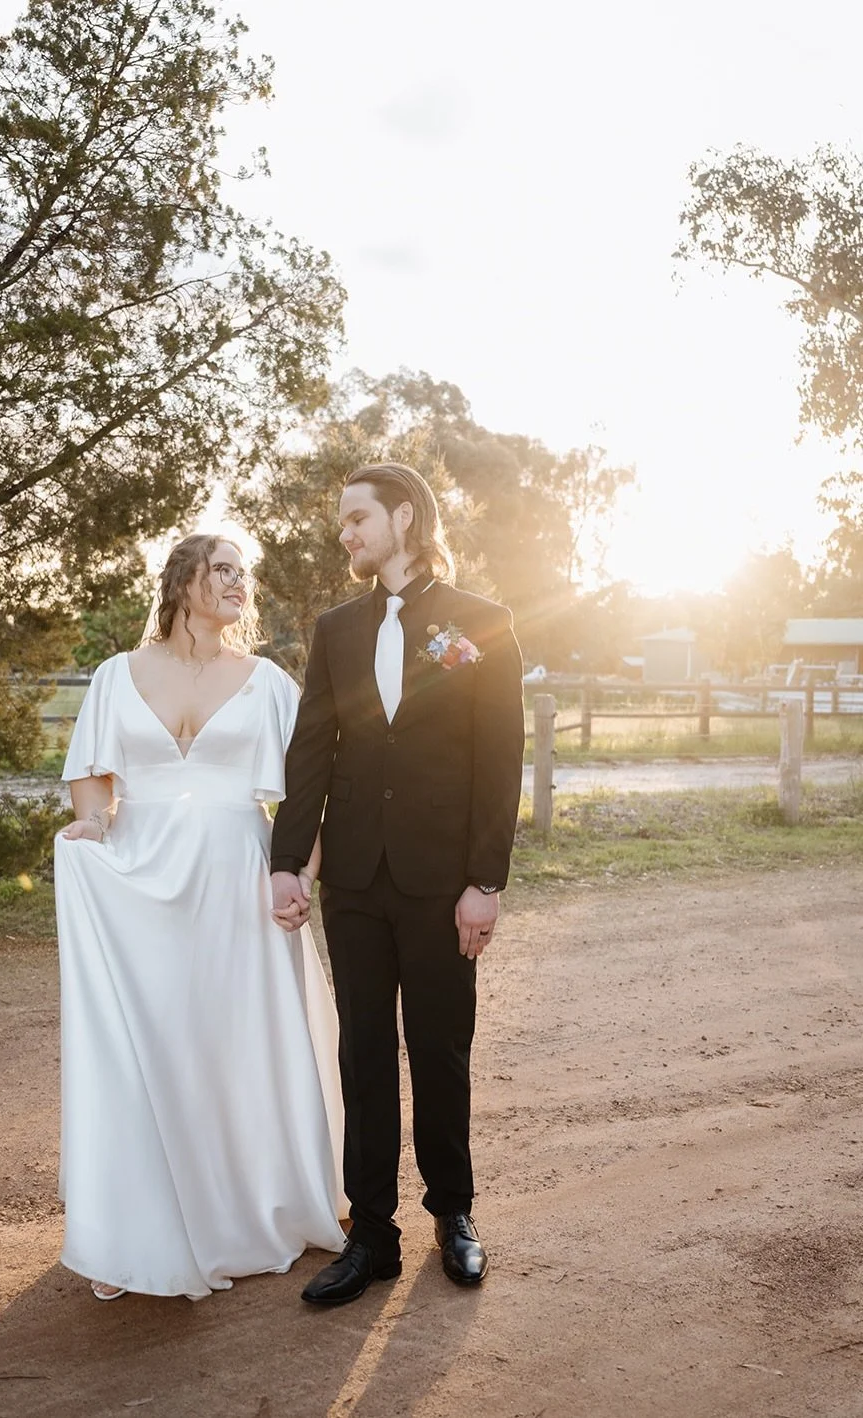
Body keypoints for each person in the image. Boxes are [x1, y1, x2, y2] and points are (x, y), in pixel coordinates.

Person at [53, 533, 346, 1302]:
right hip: (144, 885)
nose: (238, 583)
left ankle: (248, 1206)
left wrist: (300, 878)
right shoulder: (118, 676)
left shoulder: (267, 682)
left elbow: (305, 796)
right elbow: (95, 787)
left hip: (238, 879)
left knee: (235, 1041)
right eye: (222, 570)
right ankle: (151, 1219)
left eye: (242, 574)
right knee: (156, 1041)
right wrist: (95, 830)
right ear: (183, 581)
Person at [270, 463, 525, 1306]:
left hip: (440, 880)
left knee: (442, 1047)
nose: (344, 534)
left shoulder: (479, 623)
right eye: (343, 521)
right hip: (354, 879)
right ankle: (371, 1233)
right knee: (365, 1052)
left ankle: (454, 1215)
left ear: (403, 519)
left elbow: (499, 758)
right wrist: (286, 859)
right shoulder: (335, 629)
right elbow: (312, 749)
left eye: (356, 519)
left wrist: (484, 880)